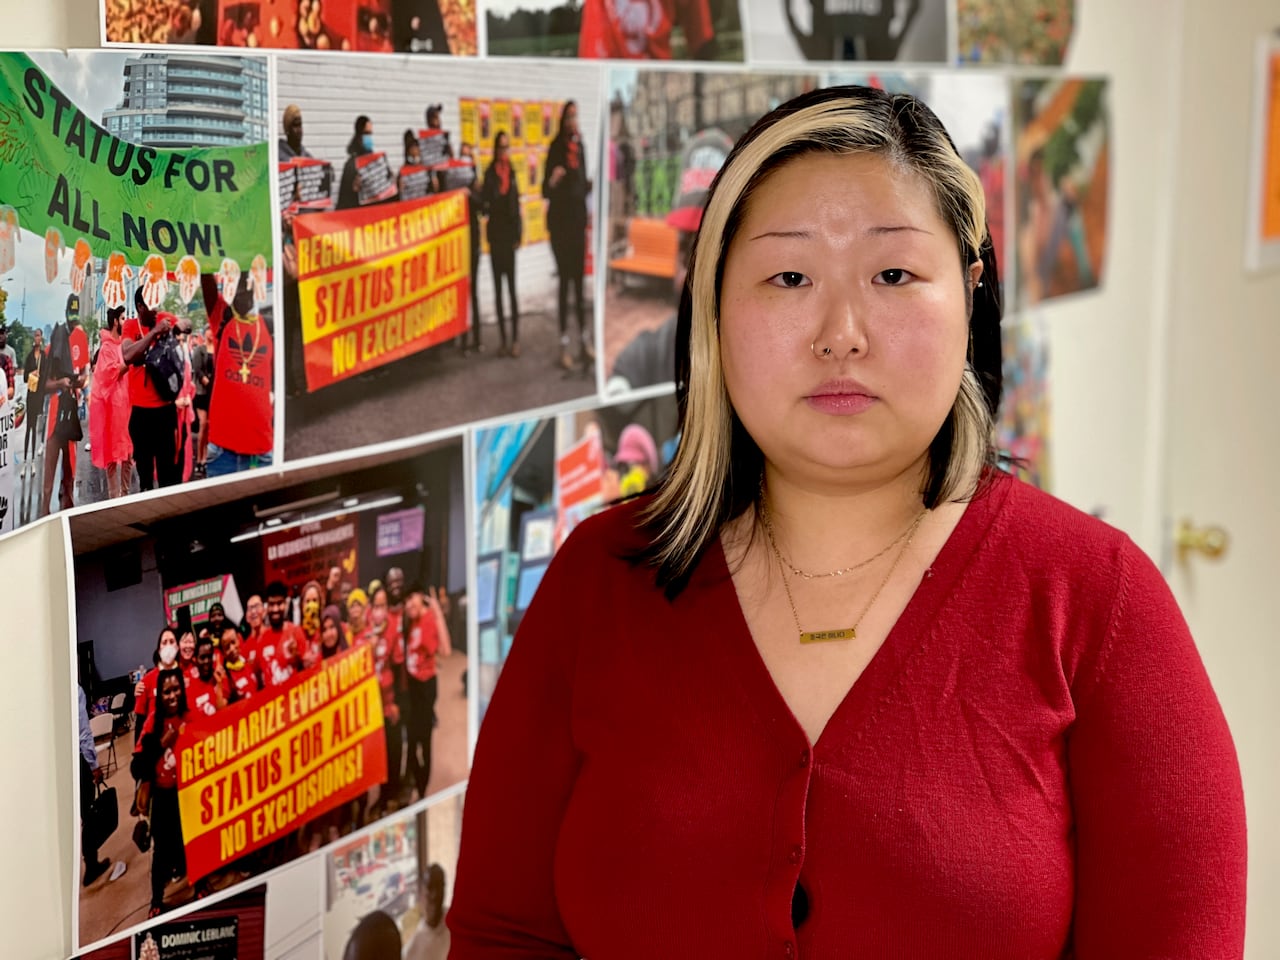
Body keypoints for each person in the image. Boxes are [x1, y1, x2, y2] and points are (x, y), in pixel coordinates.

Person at [447, 86, 1247, 956]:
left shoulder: (1098, 601)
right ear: (716, 303)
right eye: (789, 277)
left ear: (971, 290)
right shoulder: (602, 576)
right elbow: (503, 932)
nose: (842, 334)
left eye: (894, 275)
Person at [199, 272, 274, 477]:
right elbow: (206, 280)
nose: (241, 293)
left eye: (246, 287)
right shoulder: (222, 316)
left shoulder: (269, 324)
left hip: (262, 451)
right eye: (236, 288)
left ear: (254, 291)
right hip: (223, 451)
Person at [131, 669, 189, 918]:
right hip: (162, 797)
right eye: (167, 691)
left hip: (188, 795)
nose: (173, 695)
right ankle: (156, 899)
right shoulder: (153, 720)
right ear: (160, 695)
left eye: (177, 689)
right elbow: (137, 767)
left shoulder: (190, 717)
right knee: (161, 851)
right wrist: (161, 743)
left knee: (187, 843)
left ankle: (197, 883)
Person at [122, 286, 188, 492]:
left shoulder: (163, 317)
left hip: (164, 413)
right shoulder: (130, 326)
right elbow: (127, 355)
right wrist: (154, 332)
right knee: (145, 477)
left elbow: (187, 324)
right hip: (140, 415)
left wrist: (178, 327)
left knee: (168, 474)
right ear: (140, 306)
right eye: (151, 303)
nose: (156, 307)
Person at [543, 101, 593, 371]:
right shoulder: (555, 149)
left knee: (579, 286)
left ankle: (584, 343)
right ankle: (564, 345)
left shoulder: (581, 148)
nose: (573, 121)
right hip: (561, 227)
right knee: (565, 283)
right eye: (569, 116)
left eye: (576, 116)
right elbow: (545, 190)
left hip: (577, 224)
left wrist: (589, 186)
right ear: (563, 120)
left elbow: (582, 187)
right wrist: (554, 179)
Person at [403, 585, 451, 801]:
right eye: (405, 602)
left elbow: (446, 651)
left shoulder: (430, 618)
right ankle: (416, 784)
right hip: (413, 686)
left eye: (411, 599)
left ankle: (422, 792)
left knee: (423, 740)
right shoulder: (412, 621)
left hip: (425, 687)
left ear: (420, 598)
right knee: (413, 741)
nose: (408, 605)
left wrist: (437, 612)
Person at [40, 295, 85, 516]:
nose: (73, 319)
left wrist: (80, 381)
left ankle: (68, 518)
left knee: (70, 474)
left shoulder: (82, 340)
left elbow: (85, 374)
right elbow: (44, 384)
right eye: (71, 313)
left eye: (76, 315)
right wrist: (61, 382)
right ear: (66, 312)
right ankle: (44, 515)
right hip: (56, 411)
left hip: (72, 411)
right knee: (48, 475)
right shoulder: (55, 342)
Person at [78, 684, 125, 888]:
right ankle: (91, 865)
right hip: (78, 761)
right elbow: (82, 732)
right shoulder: (75, 690)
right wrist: (94, 766)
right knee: (88, 814)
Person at [482, 131, 523, 358]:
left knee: (512, 290)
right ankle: (503, 340)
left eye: (507, 148)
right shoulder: (489, 174)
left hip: (509, 238)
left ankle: (516, 339)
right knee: (498, 291)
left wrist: (519, 233)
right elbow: (487, 206)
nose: (504, 152)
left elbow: (516, 206)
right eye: (501, 148)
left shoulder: (513, 173)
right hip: (496, 237)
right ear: (495, 149)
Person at [88, 306, 134, 499]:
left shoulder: (123, 344)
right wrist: (130, 360)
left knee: (128, 454)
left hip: (126, 406)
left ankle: (126, 493)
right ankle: (113, 498)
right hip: (112, 409)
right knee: (112, 456)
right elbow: (109, 374)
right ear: (115, 321)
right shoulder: (106, 348)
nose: (125, 321)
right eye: (123, 318)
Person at [404, 863, 451, 960]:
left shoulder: (456, 925)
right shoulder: (411, 951)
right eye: (430, 888)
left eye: (439, 887)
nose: (435, 895)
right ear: (420, 892)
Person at [337, 115, 375, 211]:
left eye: (370, 134)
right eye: (366, 133)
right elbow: (344, 202)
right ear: (359, 135)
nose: (369, 138)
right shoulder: (351, 165)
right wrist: (353, 190)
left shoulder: (375, 162)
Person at [21, 327, 45, 476]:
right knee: (28, 429)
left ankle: (34, 461)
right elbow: (24, 377)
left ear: (41, 338)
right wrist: (32, 373)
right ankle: (25, 462)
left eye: (39, 336)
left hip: (39, 397)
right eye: (35, 335)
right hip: (30, 395)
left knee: (36, 428)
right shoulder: (30, 357)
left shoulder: (44, 357)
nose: (37, 338)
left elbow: (47, 375)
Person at [190, 329, 213, 478]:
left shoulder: (217, 349)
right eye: (208, 331)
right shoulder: (200, 349)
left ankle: (207, 458)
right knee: (203, 425)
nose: (211, 333)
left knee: (210, 426)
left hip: (214, 393)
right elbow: (197, 370)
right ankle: (199, 459)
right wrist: (206, 381)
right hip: (202, 392)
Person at [220, 626, 259, 703]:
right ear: (223, 653)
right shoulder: (225, 676)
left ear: (239, 640)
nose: (232, 648)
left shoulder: (249, 664)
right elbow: (221, 709)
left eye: (233, 642)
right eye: (227, 647)